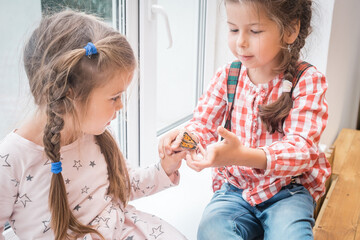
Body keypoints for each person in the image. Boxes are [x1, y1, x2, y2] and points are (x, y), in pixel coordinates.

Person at [0, 10, 187, 240]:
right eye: (114, 97)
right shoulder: (11, 159)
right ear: (70, 95)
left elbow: (125, 185)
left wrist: (165, 167)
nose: (120, 106)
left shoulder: (95, 134)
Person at [158, 0, 330, 239]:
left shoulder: (307, 80)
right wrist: (184, 139)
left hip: (287, 192)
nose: (241, 42)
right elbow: (203, 125)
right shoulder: (228, 76)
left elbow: (302, 151)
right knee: (211, 230)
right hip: (234, 190)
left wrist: (241, 155)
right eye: (233, 29)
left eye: (255, 31)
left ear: (290, 30)